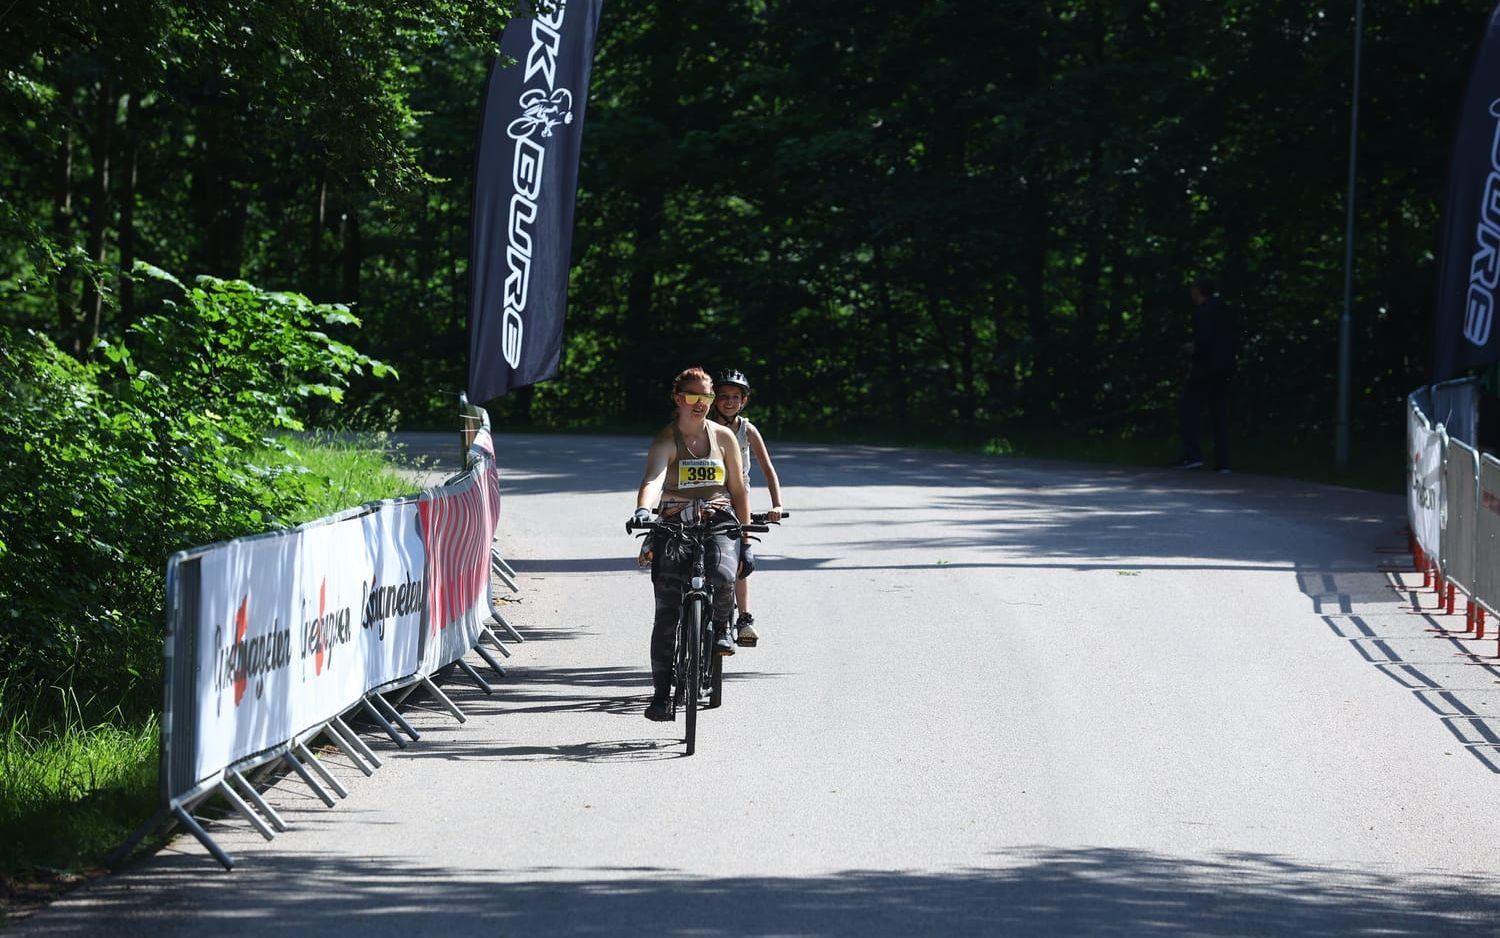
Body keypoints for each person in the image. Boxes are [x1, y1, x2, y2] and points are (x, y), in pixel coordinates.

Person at [631, 366, 752, 722]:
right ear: (678, 398)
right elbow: (653, 479)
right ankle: (660, 694)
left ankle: (720, 631)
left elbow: (739, 489)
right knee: (666, 611)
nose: (701, 404)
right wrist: (643, 508)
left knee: (722, 572)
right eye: (693, 396)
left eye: (707, 397)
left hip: (718, 518)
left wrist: (744, 536)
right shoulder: (666, 439)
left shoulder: (724, 438)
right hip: (673, 520)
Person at [709, 369, 784, 647]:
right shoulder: (704, 426)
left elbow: (768, 469)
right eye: (724, 396)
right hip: (710, 494)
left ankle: (744, 618)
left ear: (744, 401)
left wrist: (776, 503)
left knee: (741, 557)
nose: (729, 402)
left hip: (741, 498)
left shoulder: (747, 429)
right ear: (714, 398)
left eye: (735, 397)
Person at [1174, 277, 1236, 472]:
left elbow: (1205, 341)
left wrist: (1193, 348)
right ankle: (1223, 462)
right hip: (1225, 367)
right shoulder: (1224, 309)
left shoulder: (1203, 312)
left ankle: (1192, 455)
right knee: (1219, 412)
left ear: (1198, 291)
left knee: (1188, 408)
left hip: (1205, 367)